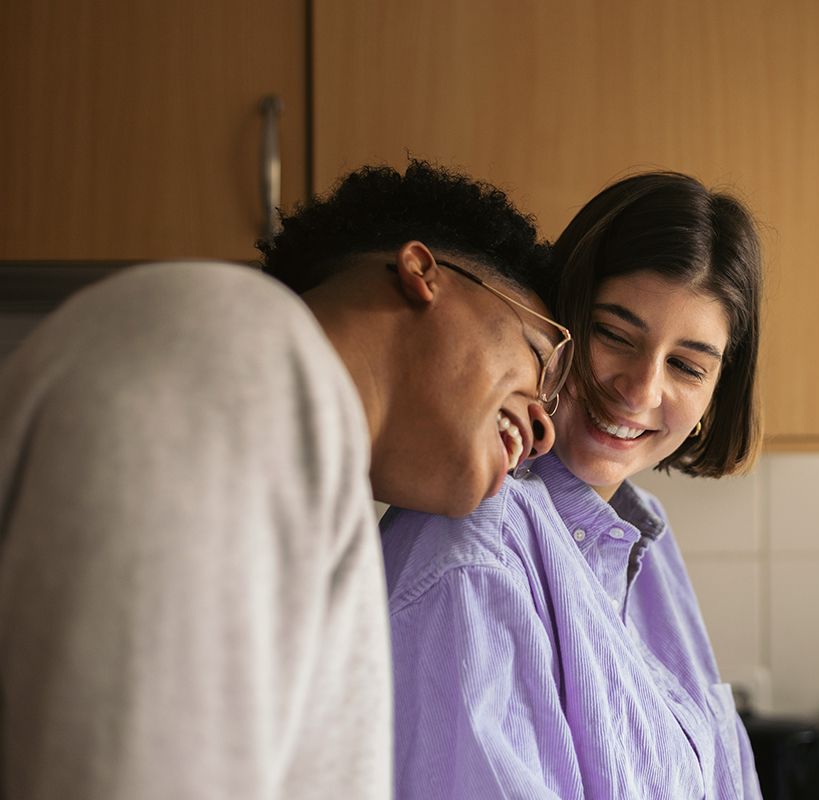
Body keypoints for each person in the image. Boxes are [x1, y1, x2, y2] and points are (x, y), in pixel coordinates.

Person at [0, 160, 569, 800]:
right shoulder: (233, 350)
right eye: (542, 356)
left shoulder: (308, 446)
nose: (546, 426)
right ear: (423, 272)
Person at [381, 171, 764, 798]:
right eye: (613, 334)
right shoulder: (474, 549)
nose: (640, 390)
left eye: (687, 365)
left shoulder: (647, 540)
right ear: (556, 315)